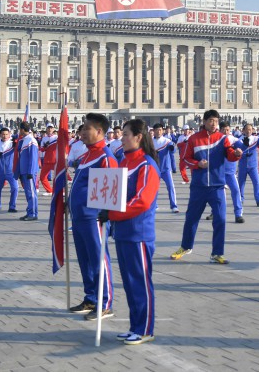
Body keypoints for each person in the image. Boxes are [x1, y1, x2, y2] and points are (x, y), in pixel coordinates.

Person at [102, 119, 158, 345]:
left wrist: (113, 214)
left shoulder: (146, 165)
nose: (121, 137)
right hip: (123, 232)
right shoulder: (124, 162)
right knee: (129, 282)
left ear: (138, 137)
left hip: (138, 233)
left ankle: (145, 328)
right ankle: (135, 325)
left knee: (140, 283)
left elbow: (141, 201)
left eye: (125, 134)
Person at [170, 110, 242, 265]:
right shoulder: (194, 139)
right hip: (199, 186)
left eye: (216, 120)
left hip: (217, 186)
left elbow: (229, 154)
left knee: (221, 219)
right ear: (204, 121)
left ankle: (217, 253)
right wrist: (197, 164)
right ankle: (186, 246)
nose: (214, 123)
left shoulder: (223, 139)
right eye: (210, 120)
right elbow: (185, 159)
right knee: (191, 218)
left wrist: (236, 154)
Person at [68, 113, 117, 319]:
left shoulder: (105, 157)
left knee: (99, 259)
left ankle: (104, 302)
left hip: (94, 218)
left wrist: (106, 214)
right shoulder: (86, 155)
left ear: (99, 131)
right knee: (85, 260)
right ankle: (91, 297)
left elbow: (110, 192)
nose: (82, 133)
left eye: (86, 128)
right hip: (79, 217)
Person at [150, 123, 180, 213]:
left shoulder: (167, 141)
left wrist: (172, 148)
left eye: (160, 130)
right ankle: (154, 205)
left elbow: (173, 150)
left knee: (170, 187)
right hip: (155, 169)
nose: (158, 132)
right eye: (156, 130)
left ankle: (174, 206)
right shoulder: (150, 142)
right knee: (153, 188)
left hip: (166, 169)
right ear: (153, 131)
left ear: (162, 131)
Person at [237, 123, 259, 209]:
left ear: (252, 130)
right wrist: (244, 154)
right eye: (246, 129)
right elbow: (238, 150)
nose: (248, 131)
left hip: (253, 166)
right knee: (241, 183)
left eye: (250, 129)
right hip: (242, 165)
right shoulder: (239, 140)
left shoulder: (256, 139)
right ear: (243, 130)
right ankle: (240, 200)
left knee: (256, 183)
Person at [0, 127, 19, 212]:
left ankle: (12, 206)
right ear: (0, 135)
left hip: (11, 171)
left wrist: (16, 144)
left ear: (9, 134)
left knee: (15, 188)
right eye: (3, 134)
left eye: (6, 134)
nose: (5, 136)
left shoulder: (12, 144)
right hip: (0, 171)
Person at [16, 122, 39, 220]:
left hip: (29, 172)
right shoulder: (24, 140)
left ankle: (33, 213)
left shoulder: (31, 140)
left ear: (22, 129)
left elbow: (33, 157)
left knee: (31, 193)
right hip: (24, 171)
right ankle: (29, 211)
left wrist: (31, 171)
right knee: (28, 193)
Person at [38, 124, 57, 196]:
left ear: (53, 129)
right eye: (48, 128)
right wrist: (45, 146)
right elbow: (42, 149)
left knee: (60, 177)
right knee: (42, 177)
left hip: (55, 160)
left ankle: (62, 191)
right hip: (47, 160)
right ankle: (50, 190)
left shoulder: (57, 137)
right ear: (46, 129)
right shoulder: (44, 138)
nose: (50, 130)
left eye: (51, 128)